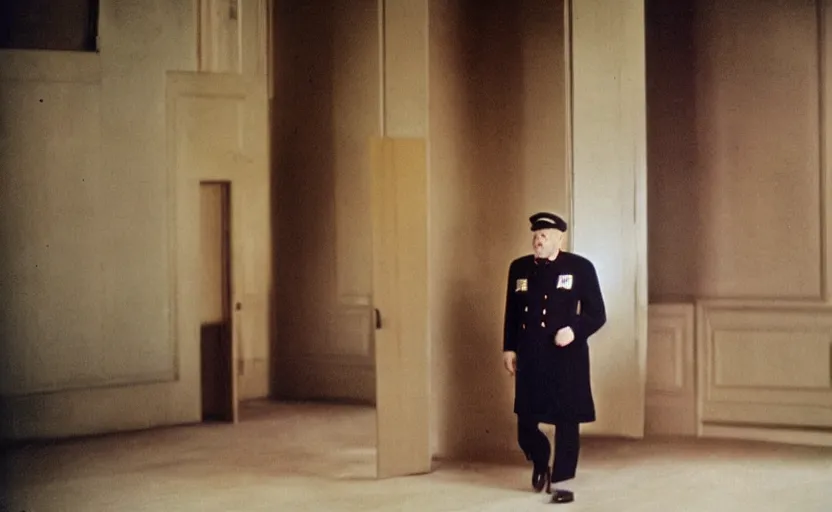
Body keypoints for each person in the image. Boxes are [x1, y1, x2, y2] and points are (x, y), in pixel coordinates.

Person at [502, 212, 607, 504]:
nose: (538, 240)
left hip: (566, 357)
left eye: (545, 235)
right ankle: (540, 458)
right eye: (536, 235)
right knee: (526, 422)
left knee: (567, 420)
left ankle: (562, 482)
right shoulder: (519, 268)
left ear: (560, 238)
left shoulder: (580, 268)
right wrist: (509, 348)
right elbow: (512, 313)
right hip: (531, 355)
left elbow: (597, 314)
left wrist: (574, 330)